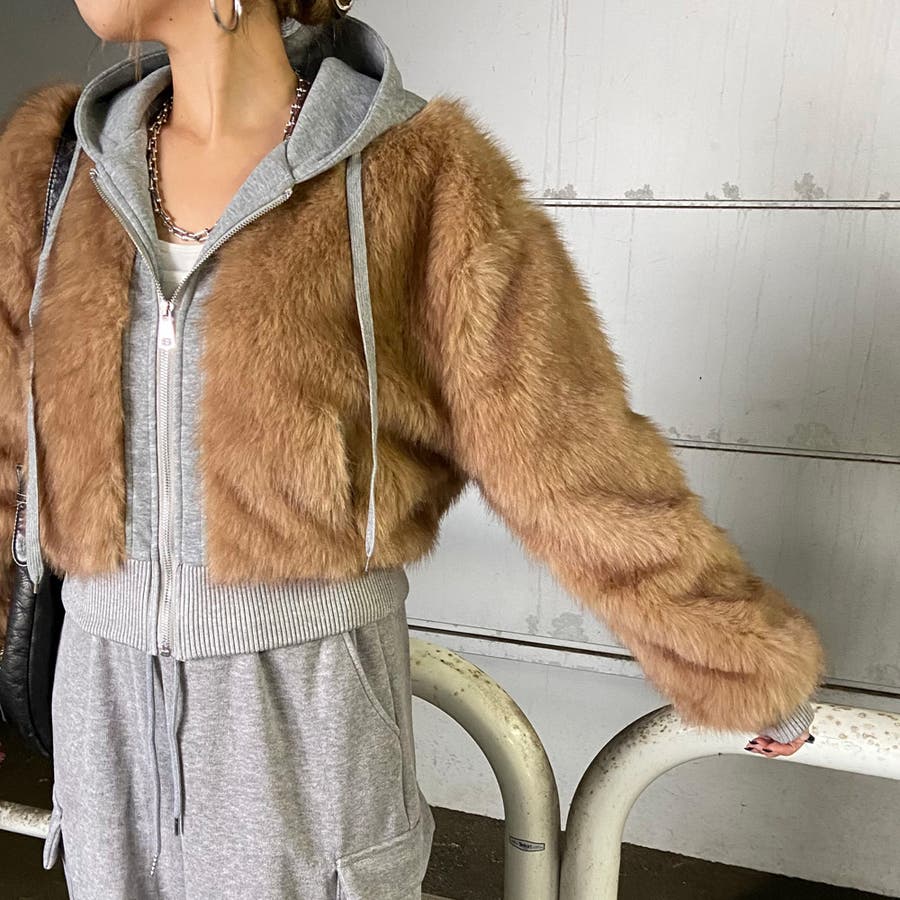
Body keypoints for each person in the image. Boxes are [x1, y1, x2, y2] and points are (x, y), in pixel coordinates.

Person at [0, 0, 824, 897]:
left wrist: (734, 658)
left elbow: (565, 451)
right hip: (100, 705)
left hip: (308, 710)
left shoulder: (424, 178)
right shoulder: (54, 170)